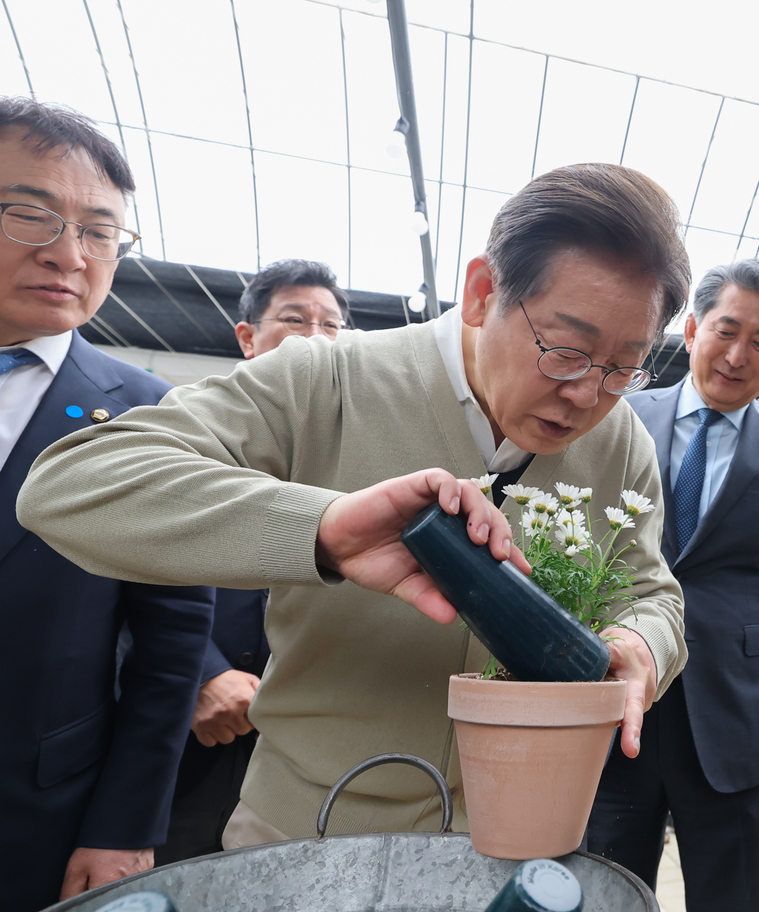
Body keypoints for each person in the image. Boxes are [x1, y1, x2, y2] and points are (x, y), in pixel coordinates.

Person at [19, 162, 689, 846]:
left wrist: (640, 643)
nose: (586, 395)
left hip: (520, 831)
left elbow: (650, 588)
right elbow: (73, 485)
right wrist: (323, 529)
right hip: (308, 833)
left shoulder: (620, 437)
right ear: (483, 291)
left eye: (622, 367)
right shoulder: (325, 377)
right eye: (566, 351)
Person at [0, 97, 215, 910]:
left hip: (39, 811)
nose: (69, 254)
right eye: (32, 215)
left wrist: (124, 826)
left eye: (99, 232)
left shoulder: (149, 413)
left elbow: (170, 648)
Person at [587, 258, 759, 912]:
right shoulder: (615, 417)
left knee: (734, 897)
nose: (737, 355)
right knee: (598, 888)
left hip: (737, 715)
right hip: (615, 702)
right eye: (726, 331)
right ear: (693, 328)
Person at [156, 259, 350, 865]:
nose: (315, 338)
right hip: (189, 739)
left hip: (306, 759)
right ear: (247, 337)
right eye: (295, 319)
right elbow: (117, 573)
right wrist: (202, 675)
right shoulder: (187, 429)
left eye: (331, 325)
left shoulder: (355, 453)